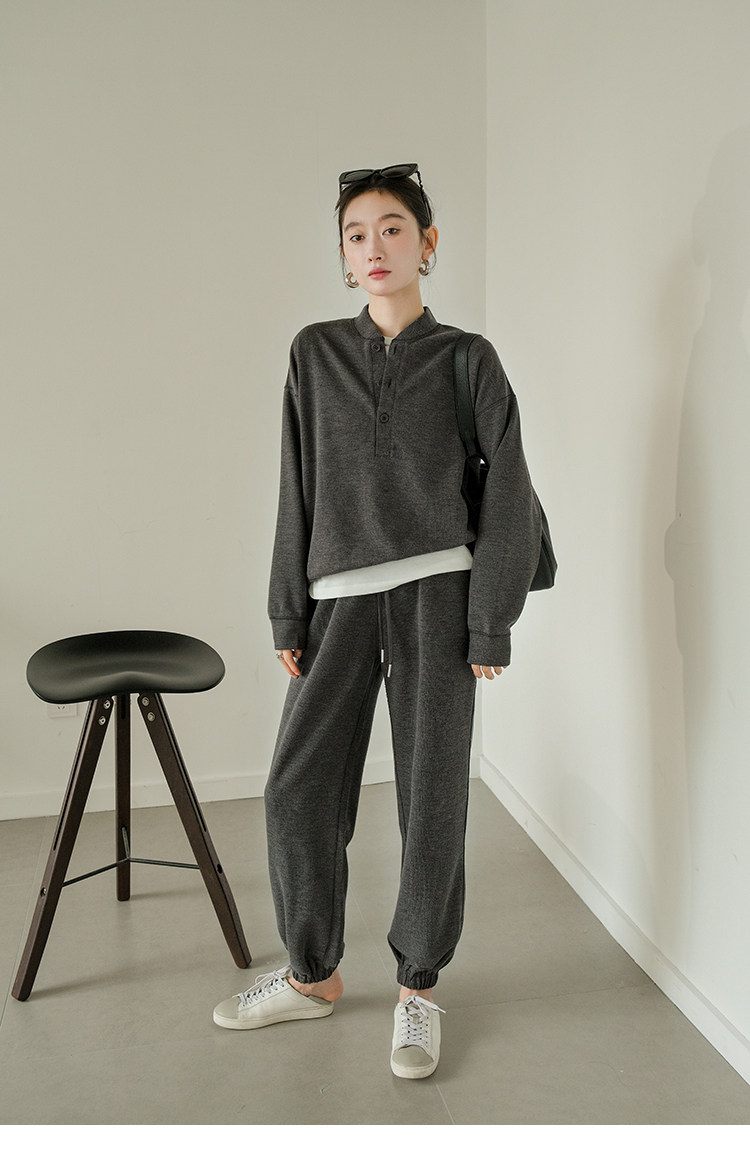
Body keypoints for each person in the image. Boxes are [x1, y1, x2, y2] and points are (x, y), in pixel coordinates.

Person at [213, 164, 542, 1079]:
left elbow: (510, 491)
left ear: (427, 244)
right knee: (296, 787)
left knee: (431, 794)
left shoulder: (469, 358)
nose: (375, 247)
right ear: (343, 255)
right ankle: (311, 972)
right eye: (357, 235)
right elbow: (297, 482)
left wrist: (491, 619)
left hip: (441, 594)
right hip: (338, 599)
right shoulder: (313, 353)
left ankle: (417, 989)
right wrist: (288, 602)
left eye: (393, 228)